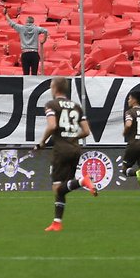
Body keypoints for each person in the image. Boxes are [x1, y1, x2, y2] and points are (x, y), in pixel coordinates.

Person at [36, 77, 96, 232]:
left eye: (51, 86)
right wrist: (74, 137)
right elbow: (86, 131)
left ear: (55, 88)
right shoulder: (76, 106)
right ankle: (57, 222)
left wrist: (42, 142)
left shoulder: (51, 105)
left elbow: (52, 125)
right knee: (63, 188)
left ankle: (83, 181)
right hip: (75, 150)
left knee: (57, 188)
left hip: (61, 150)